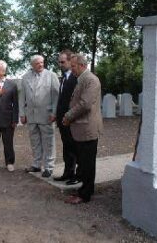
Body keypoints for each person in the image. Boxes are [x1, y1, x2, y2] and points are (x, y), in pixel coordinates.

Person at [63, 54, 103, 204]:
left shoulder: (91, 80)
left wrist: (68, 116)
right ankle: (86, 189)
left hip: (87, 127)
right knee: (85, 162)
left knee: (87, 163)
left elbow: (85, 104)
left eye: (73, 66)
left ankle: (84, 194)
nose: (71, 69)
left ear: (81, 65)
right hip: (81, 127)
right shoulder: (82, 79)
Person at [19, 55, 60, 178]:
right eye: (38, 63)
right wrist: (22, 113)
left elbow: (56, 96)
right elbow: (22, 97)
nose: (41, 65)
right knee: (35, 140)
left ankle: (49, 167)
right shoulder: (25, 77)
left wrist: (54, 113)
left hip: (46, 114)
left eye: (42, 62)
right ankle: (36, 164)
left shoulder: (51, 75)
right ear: (32, 64)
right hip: (31, 115)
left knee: (48, 142)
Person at [53, 50, 79, 185]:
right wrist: (57, 116)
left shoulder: (76, 78)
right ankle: (67, 173)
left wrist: (69, 117)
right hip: (62, 120)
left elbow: (75, 101)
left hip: (71, 120)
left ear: (70, 61)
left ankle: (75, 176)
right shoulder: (64, 77)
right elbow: (61, 100)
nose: (60, 64)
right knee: (66, 147)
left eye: (62, 62)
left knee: (74, 148)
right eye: (59, 62)